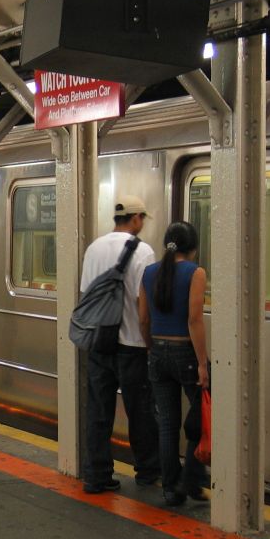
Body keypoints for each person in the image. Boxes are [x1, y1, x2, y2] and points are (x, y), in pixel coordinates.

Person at [79, 195, 160, 493]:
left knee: (98, 411)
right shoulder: (143, 252)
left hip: (100, 343)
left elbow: (86, 295)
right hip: (132, 345)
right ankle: (148, 471)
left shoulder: (94, 249)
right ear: (136, 218)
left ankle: (96, 474)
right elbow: (143, 307)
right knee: (140, 411)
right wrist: (150, 343)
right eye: (142, 219)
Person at [138, 221, 209, 507]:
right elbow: (194, 319)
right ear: (193, 248)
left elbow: (143, 319)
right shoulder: (196, 273)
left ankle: (170, 489)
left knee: (167, 423)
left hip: (157, 352)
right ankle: (191, 478)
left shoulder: (149, 273)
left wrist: (151, 348)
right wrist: (202, 363)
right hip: (185, 354)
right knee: (203, 413)